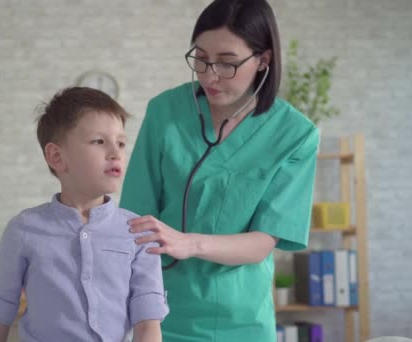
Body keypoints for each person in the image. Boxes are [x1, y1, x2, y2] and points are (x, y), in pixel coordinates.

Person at [120, 0, 319, 341]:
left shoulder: (295, 135)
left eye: (227, 64)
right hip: (159, 316)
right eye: (200, 58)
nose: (209, 75)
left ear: (263, 60)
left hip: (242, 322)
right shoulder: (164, 112)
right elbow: (136, 219)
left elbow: (261, 242)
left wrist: (189, 243)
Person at [0, 87, 168, 342]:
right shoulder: (23, 230)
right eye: (99, 141)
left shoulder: (140, 233)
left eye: (121, 143)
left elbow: (148, 326)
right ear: (56, 156)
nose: (115, 152)